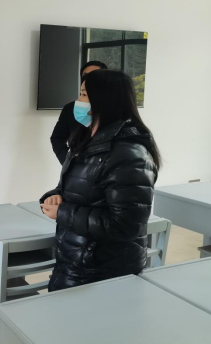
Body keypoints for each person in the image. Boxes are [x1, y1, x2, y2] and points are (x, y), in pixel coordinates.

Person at [40, 69, 161, 292]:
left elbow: (124, 226)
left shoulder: (129, 155)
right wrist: (55, 196)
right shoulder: (86, 140)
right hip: (75, 261)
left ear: (105, 100)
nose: (78, 102)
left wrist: (63, 212)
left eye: (84, 95)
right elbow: (75, 188)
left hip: (102, 271)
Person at [51, 61, 108, 164]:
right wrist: (69, 163)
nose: (89, 79)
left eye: (94, 75)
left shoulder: (115, 110)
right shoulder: (71, 108)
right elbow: (57, 138)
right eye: (85, 76)